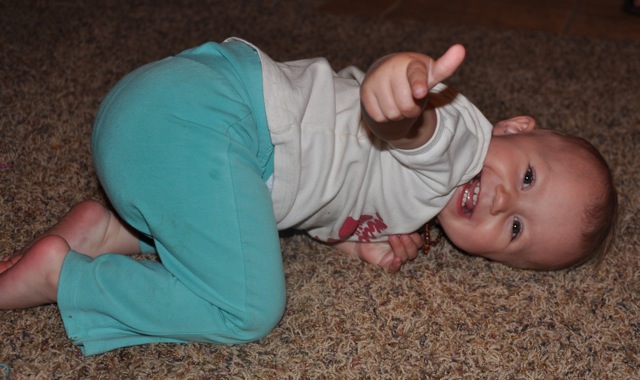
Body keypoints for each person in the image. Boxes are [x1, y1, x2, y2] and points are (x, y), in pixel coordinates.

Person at [0, 38, 617, 355]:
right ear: (513, 128)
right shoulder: (458, 135)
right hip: (203, 120)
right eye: (528, 178)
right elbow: (424, 131)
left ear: (493, 259)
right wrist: (402, 86)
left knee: (243, 225)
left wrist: (354, 240)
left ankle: (111, 229)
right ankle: (68, 278)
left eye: (515, 230)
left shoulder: (410, 198)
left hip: (160, 121)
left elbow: (326, 191)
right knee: (246, 308)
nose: (502, 200)